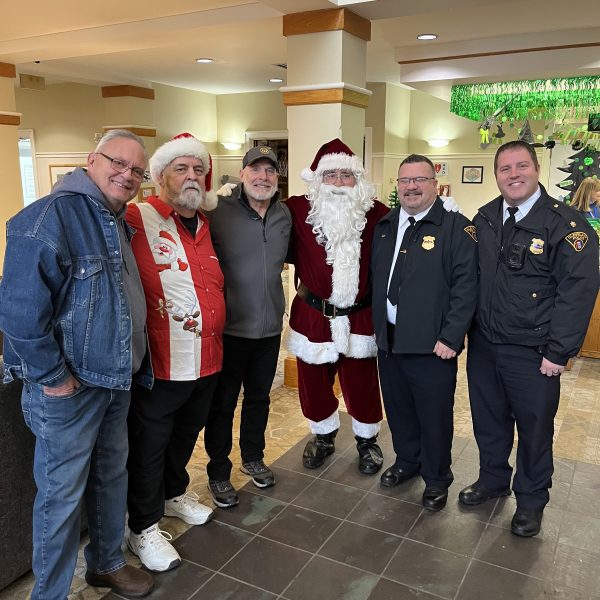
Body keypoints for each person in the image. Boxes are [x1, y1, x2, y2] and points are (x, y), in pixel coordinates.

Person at [0, 129, 154, 599]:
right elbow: (19, 315)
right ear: (91, 160)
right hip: (69, 391)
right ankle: (50, 595)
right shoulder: (49, 217)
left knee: (111, 477)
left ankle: (106, 564)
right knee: (61, 499)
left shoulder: (114, 218)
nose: (126, 175)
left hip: (113, 381)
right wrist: (54, 378)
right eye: (117, 163)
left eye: (137, 171)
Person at [459, 140, 599, 537]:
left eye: (522, 166)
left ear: (537, 169)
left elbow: (578, 291)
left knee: (534, 431)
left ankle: (531, 501)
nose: (513, 174)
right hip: (485, 345)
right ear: (497, 175)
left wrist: (559, 351)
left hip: (535, 352)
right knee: (489, 422)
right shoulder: (484, 219)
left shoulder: (566, 225)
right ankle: (492, 480)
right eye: (505, 168)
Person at [125, 133, 226, 572]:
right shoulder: (136, 216)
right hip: (161, 360)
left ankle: (172, 493)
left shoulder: (206, 223)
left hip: (208, 355)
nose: (191, 176)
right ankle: (142, 526)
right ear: (161, 175)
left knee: (187, 433)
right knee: (150, 443)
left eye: (198, 169)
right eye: (181, 169)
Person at [371, 154, 478, 511]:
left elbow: (467, 287)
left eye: (420, 179)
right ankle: (407, 461)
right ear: (397, 187)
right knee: (399, 410)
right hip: (389, 340)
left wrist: (451, 337)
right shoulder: (385, 226)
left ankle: (436, 477)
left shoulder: (455, 228)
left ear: (435, 184)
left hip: (433, 346)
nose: (412, 186)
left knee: (434, 416)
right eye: (405, 181)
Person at [286, 138, 389, 474]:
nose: (340, 183)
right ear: (318, 179)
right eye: (332, 176)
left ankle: (367, 440)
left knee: (362, 383)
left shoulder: (378, 214)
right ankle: (323, 435)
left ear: (358, 180)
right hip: (313, 313)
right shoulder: (297, 210)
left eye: (347, 175)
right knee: (312, 382)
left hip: (360, 315)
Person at [203, 146, 291, 508]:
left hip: (270, 329)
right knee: (222, 405)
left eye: (270, 171)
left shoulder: (284, 215)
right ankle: (219, 473)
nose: (263, 177)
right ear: (242, 174)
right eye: (255, 169)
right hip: (230, 330)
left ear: (276, 177)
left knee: (259, 398)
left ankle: (253, 456)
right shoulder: (218, 212)